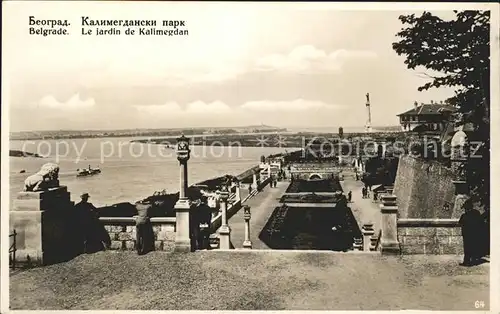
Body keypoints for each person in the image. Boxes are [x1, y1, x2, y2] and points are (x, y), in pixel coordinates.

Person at [458, 200, 483, 266]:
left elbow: (460, 223)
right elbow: (480, 222)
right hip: (475, 233)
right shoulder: (477, 213)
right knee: (475, 246)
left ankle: (467, 261)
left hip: (467, 235)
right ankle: (474, 260)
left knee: (467, 248)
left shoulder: (464, 215)